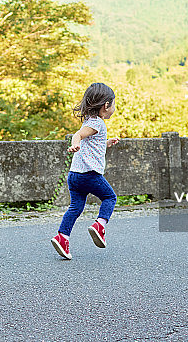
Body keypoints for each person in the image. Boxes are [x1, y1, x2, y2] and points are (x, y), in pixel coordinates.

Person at [51, 82, 120, 260]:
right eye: (113, 104)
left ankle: (62, 237)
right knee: (110, 197)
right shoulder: (97, 123)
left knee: (75, 207)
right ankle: (100, 225)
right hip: (89, 174)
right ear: (106, 105)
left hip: (74, 175)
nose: (113, 108)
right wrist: (76, 142)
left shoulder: (91, 122)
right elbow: (79, 135)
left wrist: (106, 143)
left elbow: (92, 143)